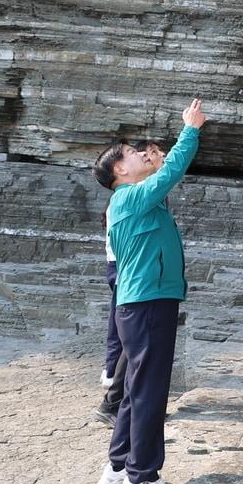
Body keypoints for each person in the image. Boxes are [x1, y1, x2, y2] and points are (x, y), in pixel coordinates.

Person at [90, 100, 206, 484]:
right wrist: (190, 130)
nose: (142, 154)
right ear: (119, 170)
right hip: (147, 303)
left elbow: (163, 176)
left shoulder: (137, 200)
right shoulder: (129, 198)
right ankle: (141, 481)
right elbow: (172, 171)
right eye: (132, 153)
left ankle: (119, 466)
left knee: (139, 389)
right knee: (150, 394)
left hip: (142, 303)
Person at [94, 140, 165, 427]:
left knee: (134, 342)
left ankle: (120, 401)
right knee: (129, 340)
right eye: (146, 153)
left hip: (139, 275)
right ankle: (113, 399)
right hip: (128, 273)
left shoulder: (138, 191)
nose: (156, 158)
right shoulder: (129, 196)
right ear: (120, 168)